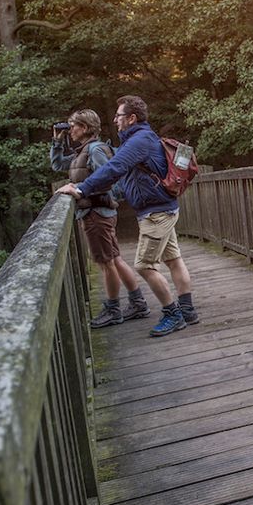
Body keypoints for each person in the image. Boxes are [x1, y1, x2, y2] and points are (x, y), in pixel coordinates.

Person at [55, 95, 198, 337]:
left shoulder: (139, 140)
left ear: (131, 118)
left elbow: (114, 168)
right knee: (173, 259)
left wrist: (81, 189)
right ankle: (188, 310)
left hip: (156, 212)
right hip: (161, 207)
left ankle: (173, 314)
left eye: (119, 115)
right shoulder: (140, 138)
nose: (115, 119)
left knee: (144, 265)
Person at [51, 109, 149, 328]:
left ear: (84, 128)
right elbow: (57, 165)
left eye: (73, 126)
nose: (71, 130)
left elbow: (109, 180)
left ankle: (114, 309)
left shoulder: (94, 150)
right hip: (98, 213)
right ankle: (138, 302)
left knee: (106, 263)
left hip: (97, 214)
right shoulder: (82, 152)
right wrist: (57, 142)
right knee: (113, 259)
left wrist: (78, 188)